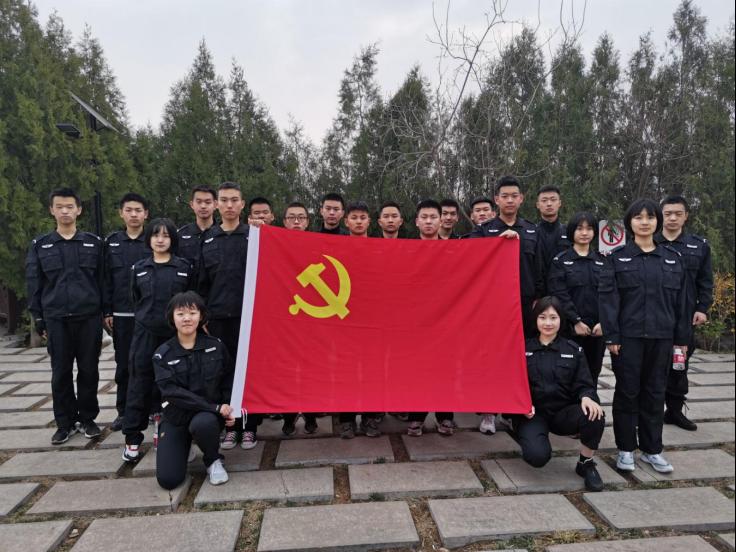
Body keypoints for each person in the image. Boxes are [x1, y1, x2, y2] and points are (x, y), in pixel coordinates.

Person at [599, 198, 689, 474]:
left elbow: (682, 303)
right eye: (638, 217)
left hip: (662, 339)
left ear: (657, 222)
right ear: (630, 223)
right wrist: (612, 337)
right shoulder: (617, 259)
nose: (645, 222)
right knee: (627, 393)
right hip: (628, 339)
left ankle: (652, 450)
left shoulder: (673, 259)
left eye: (650, 217)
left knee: (655, 393)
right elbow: (609, 301)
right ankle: (626, 449)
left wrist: (681, 339)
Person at [26, 188, 104, 444]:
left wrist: (105, 312)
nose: (65, 211)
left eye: (70, 206)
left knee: (89, 370)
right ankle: (65, 423)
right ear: (52, 210)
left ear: (78, 210)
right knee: (60, 373)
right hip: (56, 318)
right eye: (59, 207)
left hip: (88, 317)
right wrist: (38, 318)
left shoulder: (93, 243)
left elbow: (103, 281)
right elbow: (34, 283)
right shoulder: (41, 245)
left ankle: (88, 419)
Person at [510, 296, 606, 492]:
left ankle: (586, 463)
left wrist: (587, 397)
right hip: (533, 414)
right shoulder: (522, 349)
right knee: (537, 457)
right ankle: (530, 438)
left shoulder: (573, 350)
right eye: (543, 317)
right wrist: (521, 405)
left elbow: (584, 383)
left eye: (553, 318)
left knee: (595, 414)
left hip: (563, 413)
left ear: (561, 320)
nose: (548, 323)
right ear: (535, 320)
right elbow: (512, 384)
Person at [122, 218, 193, 462]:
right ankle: (132, 438)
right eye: (155, 235)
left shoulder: (184, 267)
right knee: (139, 382)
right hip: (145, 333)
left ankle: (171, 432)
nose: (160, 240)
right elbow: (135, 298)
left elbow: (190, 301)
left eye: (165, 235)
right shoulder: (139, 268)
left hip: (175, 335)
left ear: (173, 239)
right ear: (149, 239)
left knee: (175, 383)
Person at [197, 182, 258, 450]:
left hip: (249, 318)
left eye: (235, 200)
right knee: (222, 372)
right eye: (224, 200)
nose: (229, 205)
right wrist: (203, 318)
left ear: (242, 204)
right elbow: (202, 283)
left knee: (249, 374)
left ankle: (249, 427)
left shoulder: (254, 236)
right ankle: (230, 428)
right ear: (217, 204)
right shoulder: (208, 239)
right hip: (218, 319)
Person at [154, 291, 235, 489]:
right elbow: (172, 392)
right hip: (177, 416)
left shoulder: (216, 346)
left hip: (207, 417)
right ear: (172, 317)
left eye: (192, 312)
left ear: (201, 316)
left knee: (203, 424)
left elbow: (228, 380)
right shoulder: (162, 354)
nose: (187, 318)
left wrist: (228, 407)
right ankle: (184, 445)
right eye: (180, 314)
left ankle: (213, 460)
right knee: (169, 480)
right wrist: (214, 407)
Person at [656, 195, 713, 431]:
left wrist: (702, 308)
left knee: (679, 365)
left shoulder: (698, 246)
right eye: (668, 213)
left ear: (686, 216)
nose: (672, 218)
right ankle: (650, 412)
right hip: (655, 316)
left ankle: (675, 411)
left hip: (684, 319)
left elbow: (705, 281)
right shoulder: (649, 242)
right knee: (653, 366)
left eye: (678, 214)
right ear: (661, 216)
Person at [407, 200, 456, 437]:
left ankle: (445, 416)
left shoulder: (455, 250)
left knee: (444, 368)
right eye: (424, 217)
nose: (428, 221)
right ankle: (416, 417)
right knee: (417, 370)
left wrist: (506, 239)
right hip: (414, 321)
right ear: (416, 221)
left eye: (433, 217)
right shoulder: (405, 250)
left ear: (441, 220)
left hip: (446, 320)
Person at [471, 176, 544, 336]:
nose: (510, 200)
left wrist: (539, 298)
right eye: (505, 196)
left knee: (526, 342)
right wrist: (497, 243)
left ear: (521, 199)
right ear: (497, 199)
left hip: (526, 301)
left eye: (514, 196)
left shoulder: (532, 230)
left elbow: (539, 267)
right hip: (493, 300)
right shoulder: (482, 230)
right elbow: (473, 261)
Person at [103, 192, 150, 431]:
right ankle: (124, 411)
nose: (134, 215)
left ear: (146, 214)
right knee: (124, 366)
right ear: (121, 213)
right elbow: (105, 279)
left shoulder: (153, 240)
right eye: (129, 210)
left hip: (148, 315)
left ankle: (151, 409)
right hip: (121, 315)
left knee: (149, 363)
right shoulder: (111, 243)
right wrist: (107, 311)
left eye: (138, 210)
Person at [547, 212, 607, 385]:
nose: (584, 233)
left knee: (593, 373)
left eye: (589, 229)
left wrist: (603, 322)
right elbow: (559, 294)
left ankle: (591, 402)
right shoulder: (560, 261)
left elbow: (609, 295)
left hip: (597, 330)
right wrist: (576, 321)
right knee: (568, 374)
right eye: (579, 228)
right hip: (570, 329)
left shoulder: (603, 261)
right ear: (572, 231)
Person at [339, 201, 382, 438]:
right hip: (344, 320)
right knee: (346, 372)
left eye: (362, 217)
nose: (358, 221)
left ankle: (370, 418)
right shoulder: (336, 246)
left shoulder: (380, 248)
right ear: (346, 221)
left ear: (369, 221)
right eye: (354, 217)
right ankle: (346, 420)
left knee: (372, 371)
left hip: (373, 320)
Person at [280, 201, 319, 436]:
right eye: (292, 217)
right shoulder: (274, 244)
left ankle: (311, 416)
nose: (296, 221)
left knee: (311, 370)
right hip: (284, 318)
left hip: (313, 319)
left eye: (301, 217)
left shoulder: (317, 245)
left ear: (307, 222)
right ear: (284, 221)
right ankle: (288, 416)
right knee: (286, 371)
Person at [177, 185, 217, 266]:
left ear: (215, 204)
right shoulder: (180, 235)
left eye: (208, 202)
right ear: (192, 204)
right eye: (199, 202)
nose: (203, 206)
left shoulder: (223, 234)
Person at [536, 185, 571, 270]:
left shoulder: (569, 232)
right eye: (544, 200)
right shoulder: (531, 233)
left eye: (553, 200)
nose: (549, 204)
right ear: (538, 205)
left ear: (559, 203)